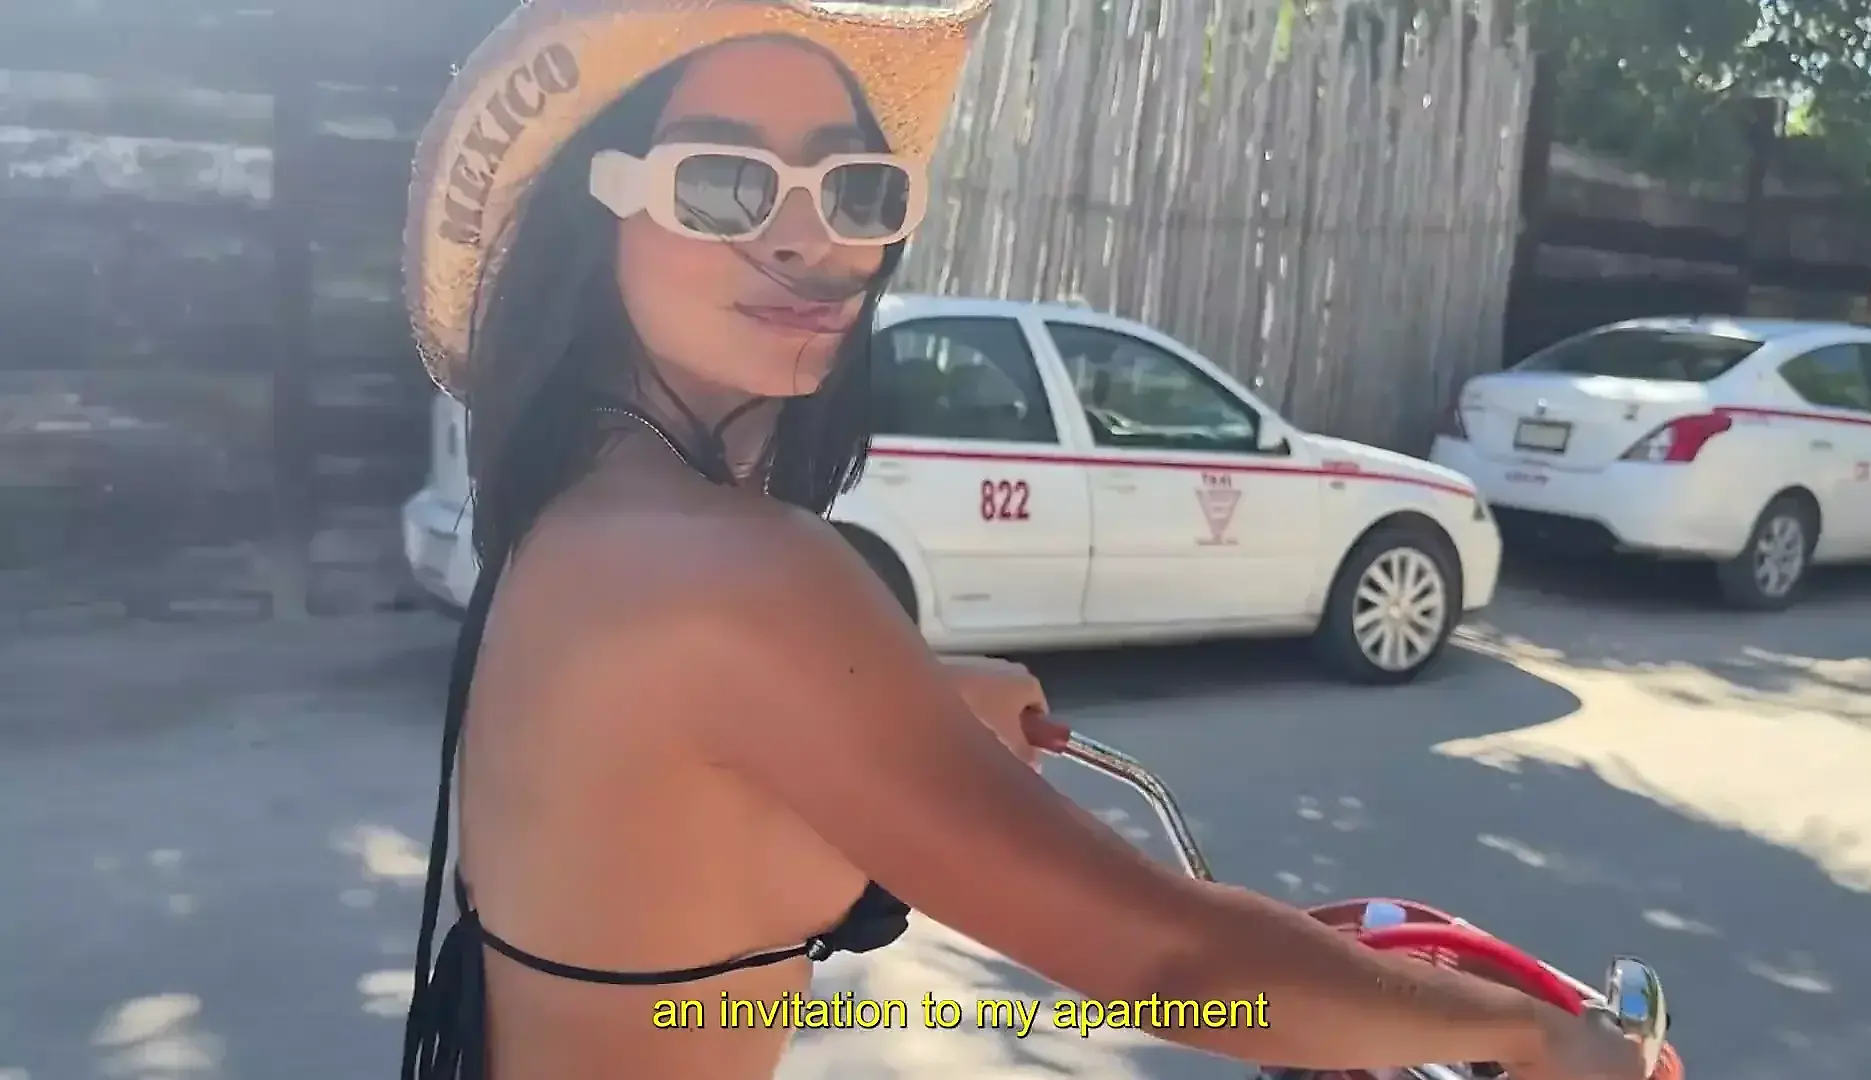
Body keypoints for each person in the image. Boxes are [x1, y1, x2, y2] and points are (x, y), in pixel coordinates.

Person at [397, 3, 1648, 1079]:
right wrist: (1535, 1034)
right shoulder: (738, 576)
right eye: (721, 182)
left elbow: (677, 776)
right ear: (589, 214)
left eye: (856, 188)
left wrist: (923, 704)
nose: (808, 237)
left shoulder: (584, 524)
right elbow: (1169, 961)